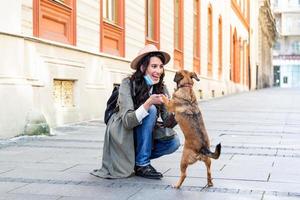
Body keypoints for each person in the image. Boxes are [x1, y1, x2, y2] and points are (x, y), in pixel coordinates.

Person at [91, 44, 180, 180]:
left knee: (174, 142)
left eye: (161, 66)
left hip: (142, 133)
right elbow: (127, 121)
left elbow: (168, 122)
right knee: (150, 109)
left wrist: (178, 109)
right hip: (123, 131)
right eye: (154, 66)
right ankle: (142, 164)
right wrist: (148, 103)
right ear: (143, 67)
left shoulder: (161, 88)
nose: (159, 71)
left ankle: (137, 160)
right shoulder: (127, 84)